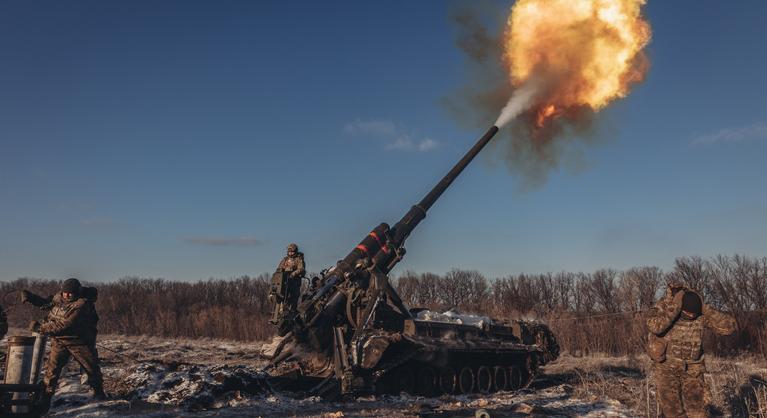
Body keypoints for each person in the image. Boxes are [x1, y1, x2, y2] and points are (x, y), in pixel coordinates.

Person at [646, 283, 736, 418]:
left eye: (694, 314)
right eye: (687, 312)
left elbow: (729, 327)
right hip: (666, 368)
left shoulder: (700, 311)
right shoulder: (664, 306)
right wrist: (674, 308)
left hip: (693, 369)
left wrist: (706, 309)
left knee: (697, 413)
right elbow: (655, 327)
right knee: (672, 413)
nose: (691, 315)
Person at [22, 278, 107, 406]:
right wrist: (32, 298)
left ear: (77, 292)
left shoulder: (82, 305)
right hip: (60, 342)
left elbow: (64, 325)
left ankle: (99, 395)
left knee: (91, 369)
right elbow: (46, 303)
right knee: (51, 372)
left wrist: (40, 328)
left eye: (70, 293)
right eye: (64, 293)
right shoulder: (60, 297)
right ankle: (44, 401)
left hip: (80, 342)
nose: (66, 295)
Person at [276, 243, 306, 313]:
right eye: (289, 251)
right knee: (281, 294)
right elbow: (279, 268)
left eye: (292, 252)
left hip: (294, 281)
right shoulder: (285, 259)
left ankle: (292, 310)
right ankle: (281, 309)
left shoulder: (299, 259)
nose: (290, 253)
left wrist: (293, 273)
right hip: (285, 281)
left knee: (294, 296)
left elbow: (301, 269)